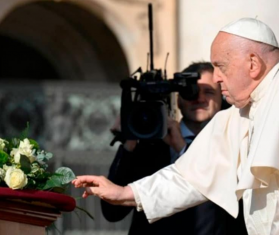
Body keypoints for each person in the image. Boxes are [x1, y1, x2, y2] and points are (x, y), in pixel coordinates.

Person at [72, 18, 279, 235]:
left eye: (221, 66)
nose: (217, 77)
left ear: (253, 64)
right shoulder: (237, 117)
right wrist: (125, 193)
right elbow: (189, 178)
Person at [101, 62, 245, 234]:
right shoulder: (151, 146)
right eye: (189, 91)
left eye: (208, 92)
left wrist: (183, 149)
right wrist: (130, 141)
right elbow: (112, 212)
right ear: (178, 99)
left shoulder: (232, 143)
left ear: (221, 99)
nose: (198, 98)